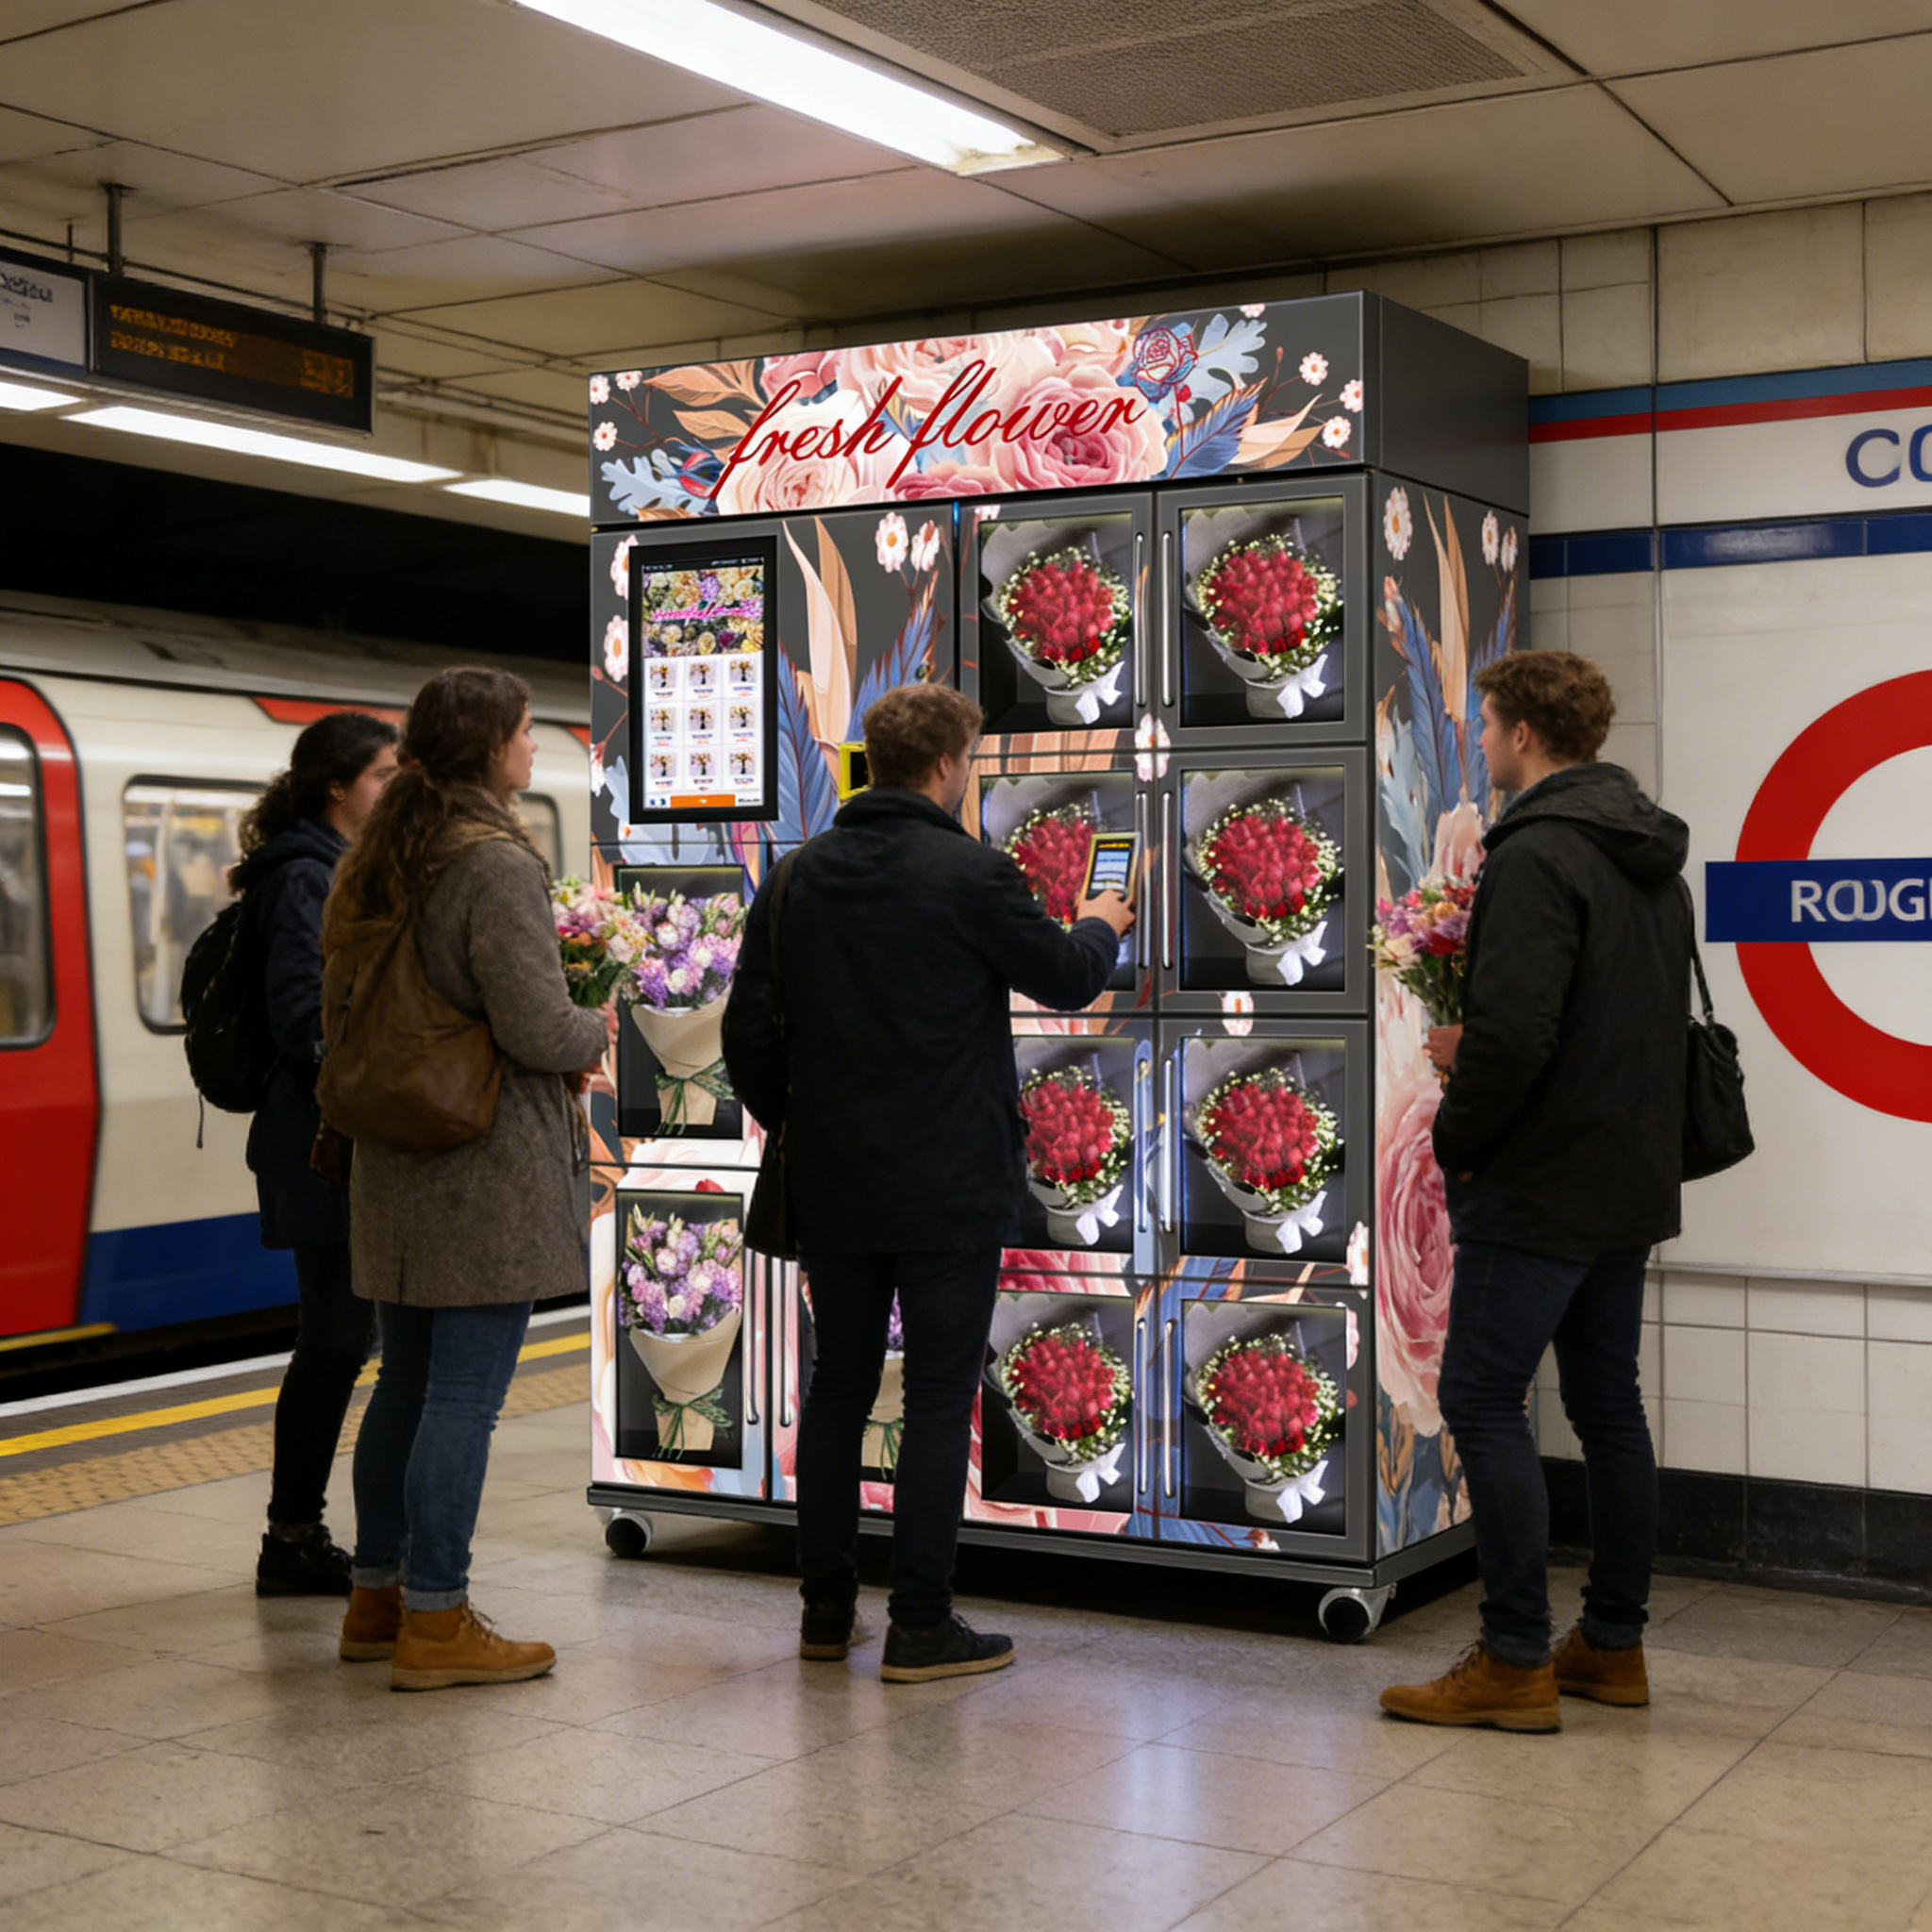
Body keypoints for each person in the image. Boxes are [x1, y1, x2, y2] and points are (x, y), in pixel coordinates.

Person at [723, 683, 1136, 1684]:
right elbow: (1067, 977)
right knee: (939, 1397)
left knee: (838, 1389)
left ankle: (826, 1613)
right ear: (950, 764)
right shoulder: (971, 872)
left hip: (834, 1183)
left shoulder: (797, 876)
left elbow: (746, 1036)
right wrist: (1100, 919)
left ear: (875, 759)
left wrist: (804, 1125)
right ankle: (920, 1622)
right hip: (949, 1184)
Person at [1381, 651, 1690, 1733]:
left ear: (1521, 733)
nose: (1477, 740)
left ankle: (1512, 1656)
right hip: (1627, 1174)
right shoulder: (1649, 853)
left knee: (1479, 1396)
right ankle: (1611, 1642)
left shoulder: (1534, 853)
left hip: (1540, 1180)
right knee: (1608, 1405)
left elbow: (1515, 1038)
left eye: (1485, 723)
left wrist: (1457, 1138)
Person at [325, 668, 607, 1690]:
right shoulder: (491, 859)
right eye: (525, 732)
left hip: (394, 1159)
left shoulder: (379, 854)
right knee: (463, 1400)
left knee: (403, 1382)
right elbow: (535, 1026)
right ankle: (439, 1618)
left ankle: (377, 1598)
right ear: (490, 746)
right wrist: (595, 1023)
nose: (533, 747)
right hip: (478, 1162)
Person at [234, 712, 401, 1595]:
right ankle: (291, 1538)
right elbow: (307, 1018)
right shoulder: (307, 876)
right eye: (383, 775)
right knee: (334, 1339)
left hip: (332, 1135)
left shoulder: (331, 866)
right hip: (320, 1141)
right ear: (339, 788)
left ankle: (296, 1534)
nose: (395, 788)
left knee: (341, 1338)